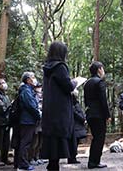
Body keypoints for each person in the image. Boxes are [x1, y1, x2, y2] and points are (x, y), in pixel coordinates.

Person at [41, 41, 77, 171]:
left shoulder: (47, 68)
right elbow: (67, 86)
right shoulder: (61, 67)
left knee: (52, 140)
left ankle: (52, 165)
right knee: (59, 137)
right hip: (60, 110)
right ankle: (53, 166)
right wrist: (75, 82)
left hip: (50, 110)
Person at [83, 61, 110, 169]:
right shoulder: (99, 82)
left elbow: (85, 100)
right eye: (102, 68)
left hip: (90, 113)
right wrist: (107, 115)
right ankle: (94, 162)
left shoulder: (87, 83)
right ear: (99, 69)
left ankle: (92, 161)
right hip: (98, 114)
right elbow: (103, 100)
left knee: (95, 138)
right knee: (99, 138)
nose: (103, 71)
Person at [14, 72, 41, 171]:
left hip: (29, 120)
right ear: (28, 80)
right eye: (33, 77)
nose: (35, 79)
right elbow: (31, 106)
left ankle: (21, 163)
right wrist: (39, 115)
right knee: (25, 143)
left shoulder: (29, 90)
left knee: (26, 142)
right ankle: (23, 164)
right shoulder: (26, 91)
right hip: (27, 120)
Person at [68, 92, 87, 164]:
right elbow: (75, 112)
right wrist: (82, 118)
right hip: (75, 125)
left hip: (77, 124)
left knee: (76, 142)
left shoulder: (75, 102)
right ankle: (71, 158)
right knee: (73, 142)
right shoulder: (71, 102)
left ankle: (73, 157)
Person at [29, 83, 44, 166]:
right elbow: (35, 107)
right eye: (38, 87)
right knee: (34, 142)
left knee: (40, 142)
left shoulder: (42, 96)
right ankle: (31, 158)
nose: (39, 89)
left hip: (42, 122)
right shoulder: (34, 96)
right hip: (36, 122)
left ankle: (37, 157)